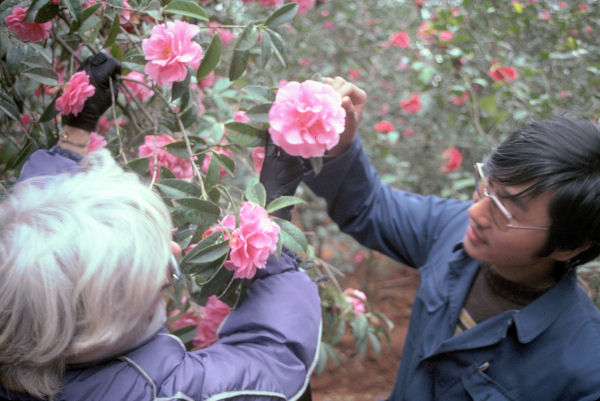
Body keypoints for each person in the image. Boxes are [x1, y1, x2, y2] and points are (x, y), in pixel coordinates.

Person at [0, 53, 321, 401]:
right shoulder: (159, 392)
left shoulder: (22, 304)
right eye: (163, 270)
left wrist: (74, 136)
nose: (177, 251)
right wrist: (272, 234)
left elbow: (35, 237)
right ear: (109, 320)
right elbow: (274, 359)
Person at [272, 76, 600, 400]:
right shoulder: (453, 227)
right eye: (486, 186)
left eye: (504, 209)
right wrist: (340, 144)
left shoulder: (584, 369)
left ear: (570, 245)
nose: (476, 213)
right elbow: (370, 207)